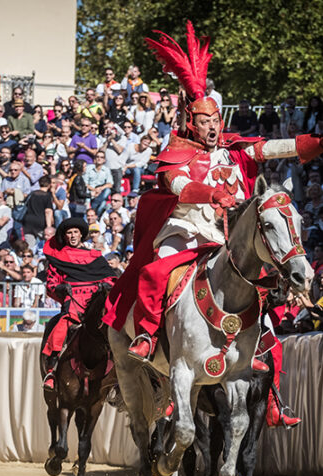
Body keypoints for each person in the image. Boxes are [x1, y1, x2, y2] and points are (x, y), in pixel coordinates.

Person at [103, 21, 323, 427]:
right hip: (184, 234)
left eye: (216, 121)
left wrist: (310, 145)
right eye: (205, 122)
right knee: (154, 271)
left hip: (225, 241)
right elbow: (180, 185)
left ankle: (270, 394)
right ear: (191, 120)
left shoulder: (230, 152)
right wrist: (212, 195)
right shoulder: (175, 153)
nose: (213, 127)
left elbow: (266, 147)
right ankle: (148, 335)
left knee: (265, 312)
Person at [41, 217, 116, 391]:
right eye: (69, 232)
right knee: (61, 327)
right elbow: (51, 284)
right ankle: (51, 371)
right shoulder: (58, 258)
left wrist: (106, 286)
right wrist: (61, 288)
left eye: (76, 232)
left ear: (82, 234)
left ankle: (119, 374)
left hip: (96, 304)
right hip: (73, 303)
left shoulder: (95, 256)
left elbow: (112, 279)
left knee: (114, 330)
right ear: (65, 236)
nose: (73, 235)